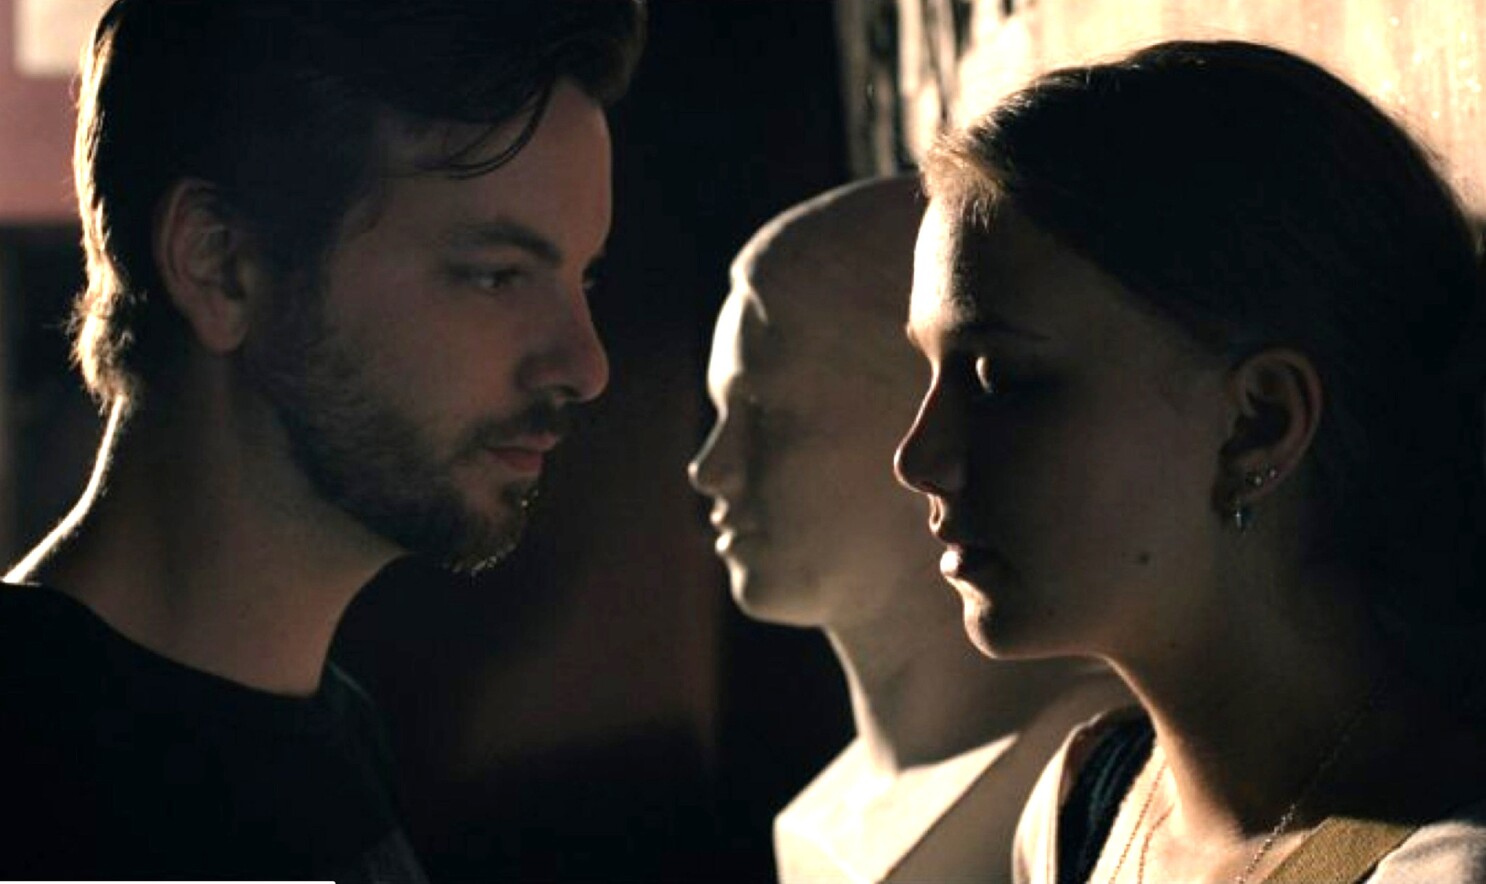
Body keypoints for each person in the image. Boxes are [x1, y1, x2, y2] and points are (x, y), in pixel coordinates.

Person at [0, 0, 643, 879]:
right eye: (496, 275)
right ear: (221, 265)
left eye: (582, 280)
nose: (586, 364)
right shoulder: (32, 771)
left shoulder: (335, 736)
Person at [894, 39, 1486, 884]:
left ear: (1257, 424)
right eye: (928, 369)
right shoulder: (1080, 810)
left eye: (1000, 378)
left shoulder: (1443, 867)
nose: (919, 456)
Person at [689, 175, 1129, 883]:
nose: (710, 470)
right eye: (721, 415)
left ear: (923, 418)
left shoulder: (1075, 777)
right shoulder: (842, 808)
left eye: (768, 416)